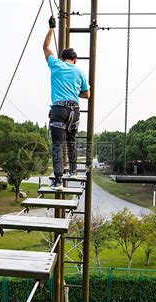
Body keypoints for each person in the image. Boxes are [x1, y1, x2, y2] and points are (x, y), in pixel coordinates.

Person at [43, 16, 90, 190]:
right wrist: (74, 90)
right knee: (72, 141)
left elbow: (46, 47)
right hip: (74, 111)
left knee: (57, 146)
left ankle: (57, 181)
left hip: (59, 110)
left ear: (62, 58)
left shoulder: (55, 64)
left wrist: (51, 28)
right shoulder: (80, 72)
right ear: (75, 60)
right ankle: (73, 171)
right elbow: (87, 94)